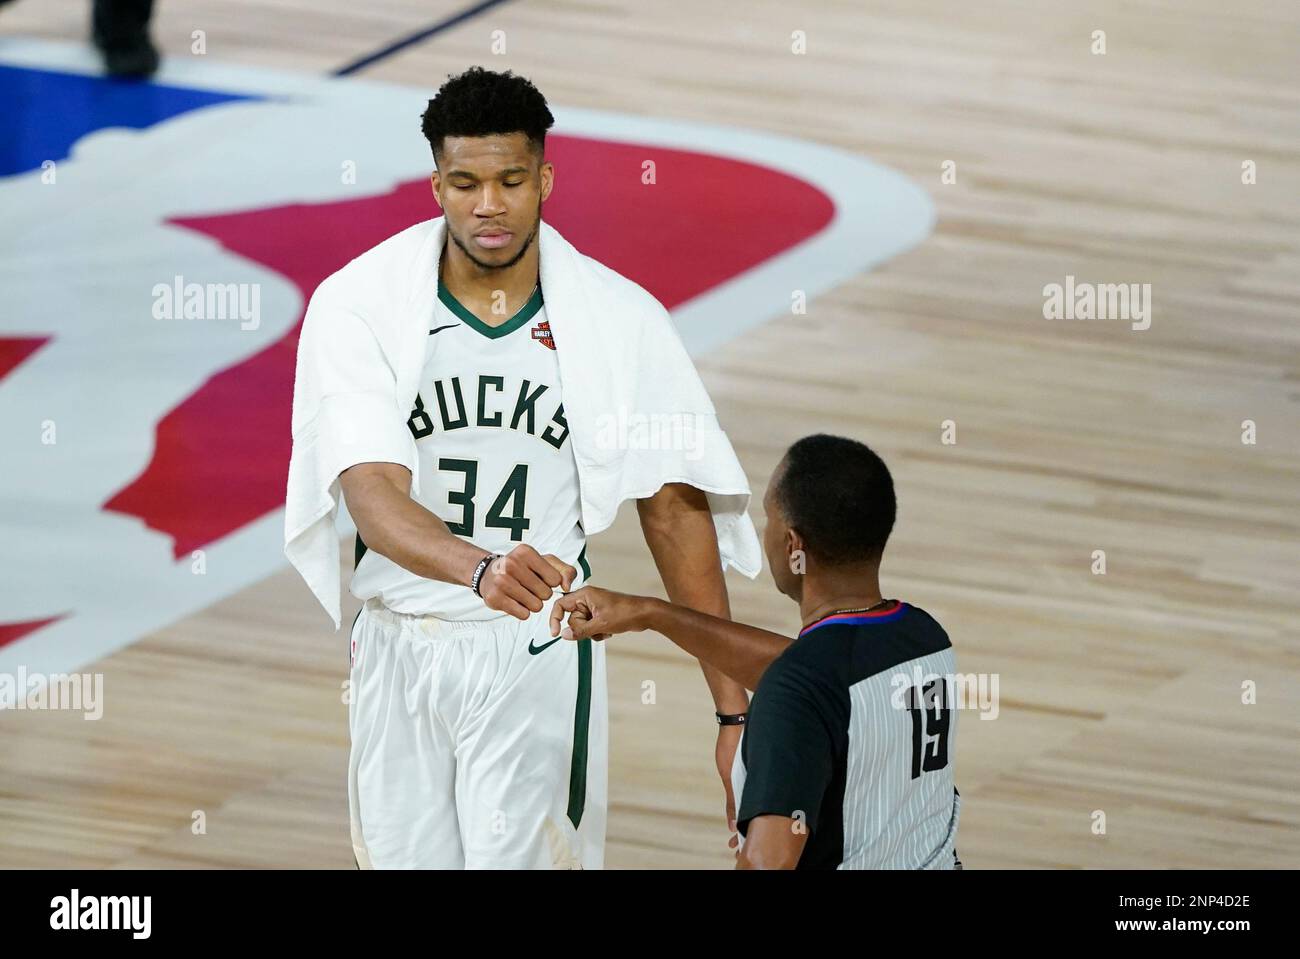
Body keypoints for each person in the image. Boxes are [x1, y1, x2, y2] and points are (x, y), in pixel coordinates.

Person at [285, 67, 760, 868]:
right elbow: (370, 495)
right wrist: (478, 569)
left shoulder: (621, 318)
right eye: (466, 182)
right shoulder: (358, 303)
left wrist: (733, 718)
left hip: (534, 647)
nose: (490, 205)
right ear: (436, 183)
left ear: (545, 178)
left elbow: (672, 508)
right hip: (399, 642)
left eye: (511, 180)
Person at [550, 434, 962, 869]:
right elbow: (821, 680)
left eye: (769, 518)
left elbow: (769, 862)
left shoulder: (798, 690)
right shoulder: (924, 638)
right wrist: (652, 613)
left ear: (792, 546)